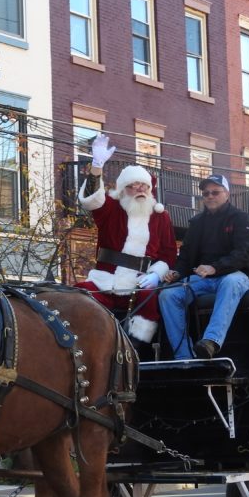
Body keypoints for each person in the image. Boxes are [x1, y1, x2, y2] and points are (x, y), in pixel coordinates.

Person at [75, 133, 177, 347]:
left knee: (149, 298)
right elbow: (92, 200)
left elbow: (168, 253)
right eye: (134, 185)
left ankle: (134, 351)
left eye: (144, 185)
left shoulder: (160, 216)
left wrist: (156, 275)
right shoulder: (111, 209)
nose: (140, 189)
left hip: (141, 283)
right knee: (77, 294)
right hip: (106, 281)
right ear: (123, 190)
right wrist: (96, 167)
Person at [159, 174, 249, 359]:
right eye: (205, 193)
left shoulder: (241, 218)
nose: (209, 196)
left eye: (215, 192)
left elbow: (244, 253)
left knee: (231, 282)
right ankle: (184, 356)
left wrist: (215, 268)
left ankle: (211, 341)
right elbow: (186, 255)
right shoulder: (197, 222)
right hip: (202, 279)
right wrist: (176, 272)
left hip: (236, 274)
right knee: (168, 294)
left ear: (227, 194)